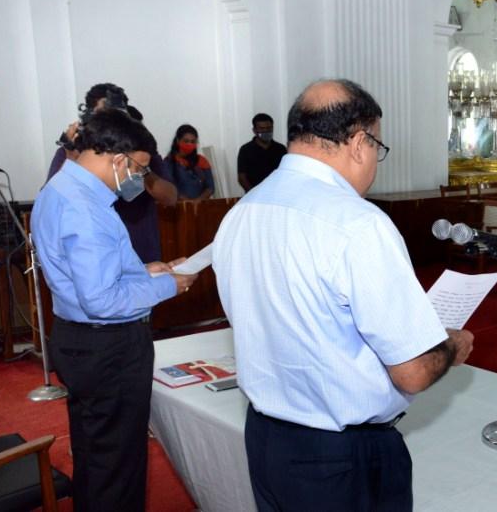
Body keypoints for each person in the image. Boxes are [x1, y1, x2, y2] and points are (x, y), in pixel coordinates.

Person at [213, 79, 475, 511]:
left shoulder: (242, 212)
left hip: (266, 439)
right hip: (341, 458)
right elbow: (411, 372)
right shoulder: (357, 224)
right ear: (359, 142)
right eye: (378, 148)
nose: (375, 161)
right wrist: (451, 345)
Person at [32, 109, 197, 511]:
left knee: (96, 456)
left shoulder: (60, 190)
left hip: (80, 339)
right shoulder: (86, 209)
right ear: (118, 160)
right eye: (140, 168)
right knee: (118, 466)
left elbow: (88, 276)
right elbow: (102, 300)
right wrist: (165, 285)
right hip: (109, 348)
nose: (140, 179)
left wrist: (144, 270)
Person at [47, 104, 178, 263]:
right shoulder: (71, 153)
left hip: (141, 243)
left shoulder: (147, 155)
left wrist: (140, 167)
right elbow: (53, 195)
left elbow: (171, 197)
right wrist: (71, 157)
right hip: (99, 247)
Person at [237, 113, 287, 192]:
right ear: (254, 130)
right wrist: (253, 193)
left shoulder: (281, 149)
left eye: (269, 128)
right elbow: (242, 177)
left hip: (277, 193)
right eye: (262, 128)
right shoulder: (245, 150)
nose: (265, 131)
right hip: (254, 195)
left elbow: (286, 173)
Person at [166, 124, 215, 201]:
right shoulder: (169, 162)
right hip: (178, 207)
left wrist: (197, 201)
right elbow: (167, 188)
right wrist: (187, 202)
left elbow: (210, 188)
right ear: (178, 141)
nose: (189, 144)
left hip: (200, 207)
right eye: (186, 141)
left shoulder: (202, 161)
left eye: (193, 142)